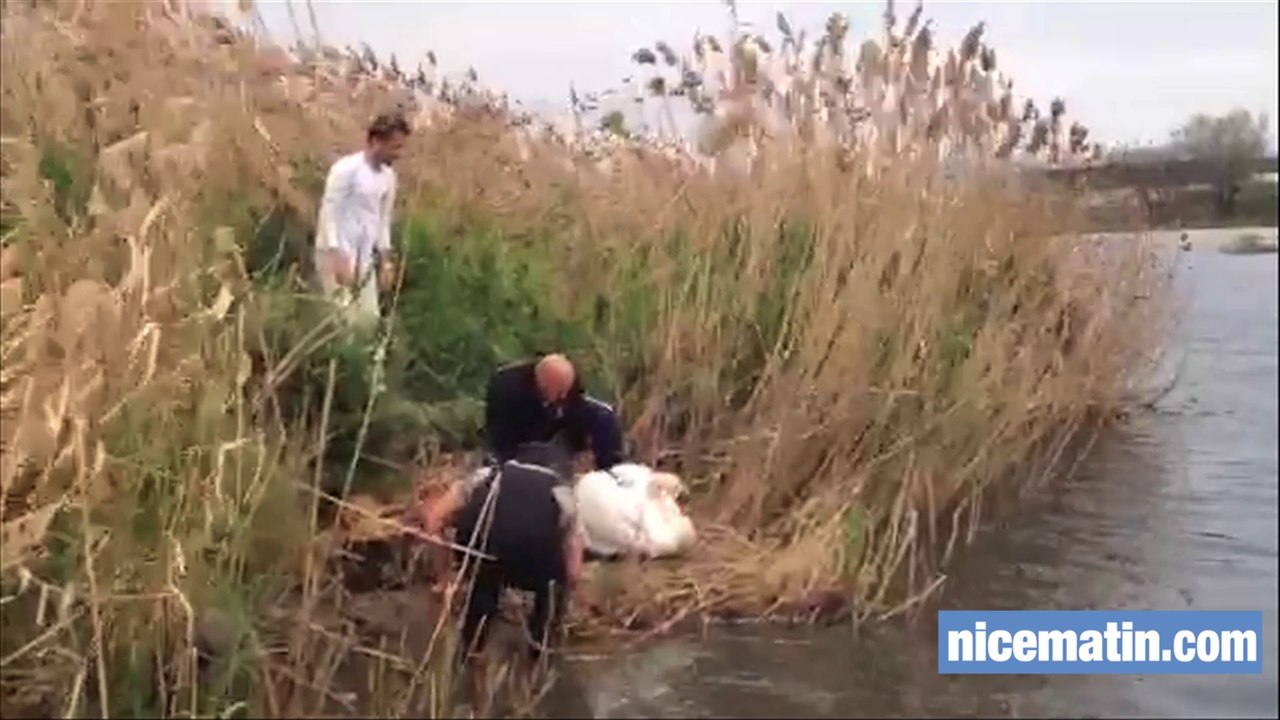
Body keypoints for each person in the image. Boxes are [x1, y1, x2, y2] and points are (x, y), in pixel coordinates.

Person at [421, 441, 585, 667]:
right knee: (550, 597)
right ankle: (540, 654)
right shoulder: (561, 490)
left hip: (485, 557)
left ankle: (471, 653)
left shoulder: (487, 475)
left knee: (483, 586)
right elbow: (574, 570)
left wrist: (445, 578)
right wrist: (564, 591)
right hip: (536, 565)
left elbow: (434, 520)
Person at [314, 112, 409, 328]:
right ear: (376, 141)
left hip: (363, 254)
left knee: (368, 321)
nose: (398, 153)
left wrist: (385, 259)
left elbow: (382, 219)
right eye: (395, 147)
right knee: (343, 319)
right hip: (336, 251)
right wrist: (335, 253)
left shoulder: (388, 178)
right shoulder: (346, 169)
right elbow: (329, 210)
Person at [484, 353, 626, 472]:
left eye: (567, 391)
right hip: (520, 443)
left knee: (604, 417)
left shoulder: (567, 388)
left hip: (562, 433)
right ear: (542, 385)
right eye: (559, 393)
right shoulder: (506, 389)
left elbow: (578, 405)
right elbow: (499, 437)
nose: (564, 396)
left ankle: (612, 473)